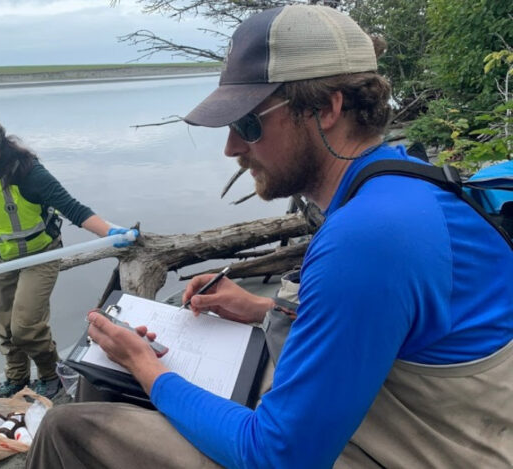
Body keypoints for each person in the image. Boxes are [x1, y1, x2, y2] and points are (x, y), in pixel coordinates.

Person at [27, 5, 513, 468]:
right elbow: (403, 328)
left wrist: (147, 368)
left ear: (326, 108)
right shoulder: (403, 183)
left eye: (248, 123)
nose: (231, 147)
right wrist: (266, 309)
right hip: (410, 428)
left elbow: (279, 458)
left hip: (417, 453)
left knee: (68, 427)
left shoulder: (369, 237)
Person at [0, 110, 136, 399]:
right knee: (6, 326)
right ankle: (16, 378)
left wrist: (108, 231)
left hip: (39, 255)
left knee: (26, 325)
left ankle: (49, 373)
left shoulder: (29, 173)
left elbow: (72, 207)